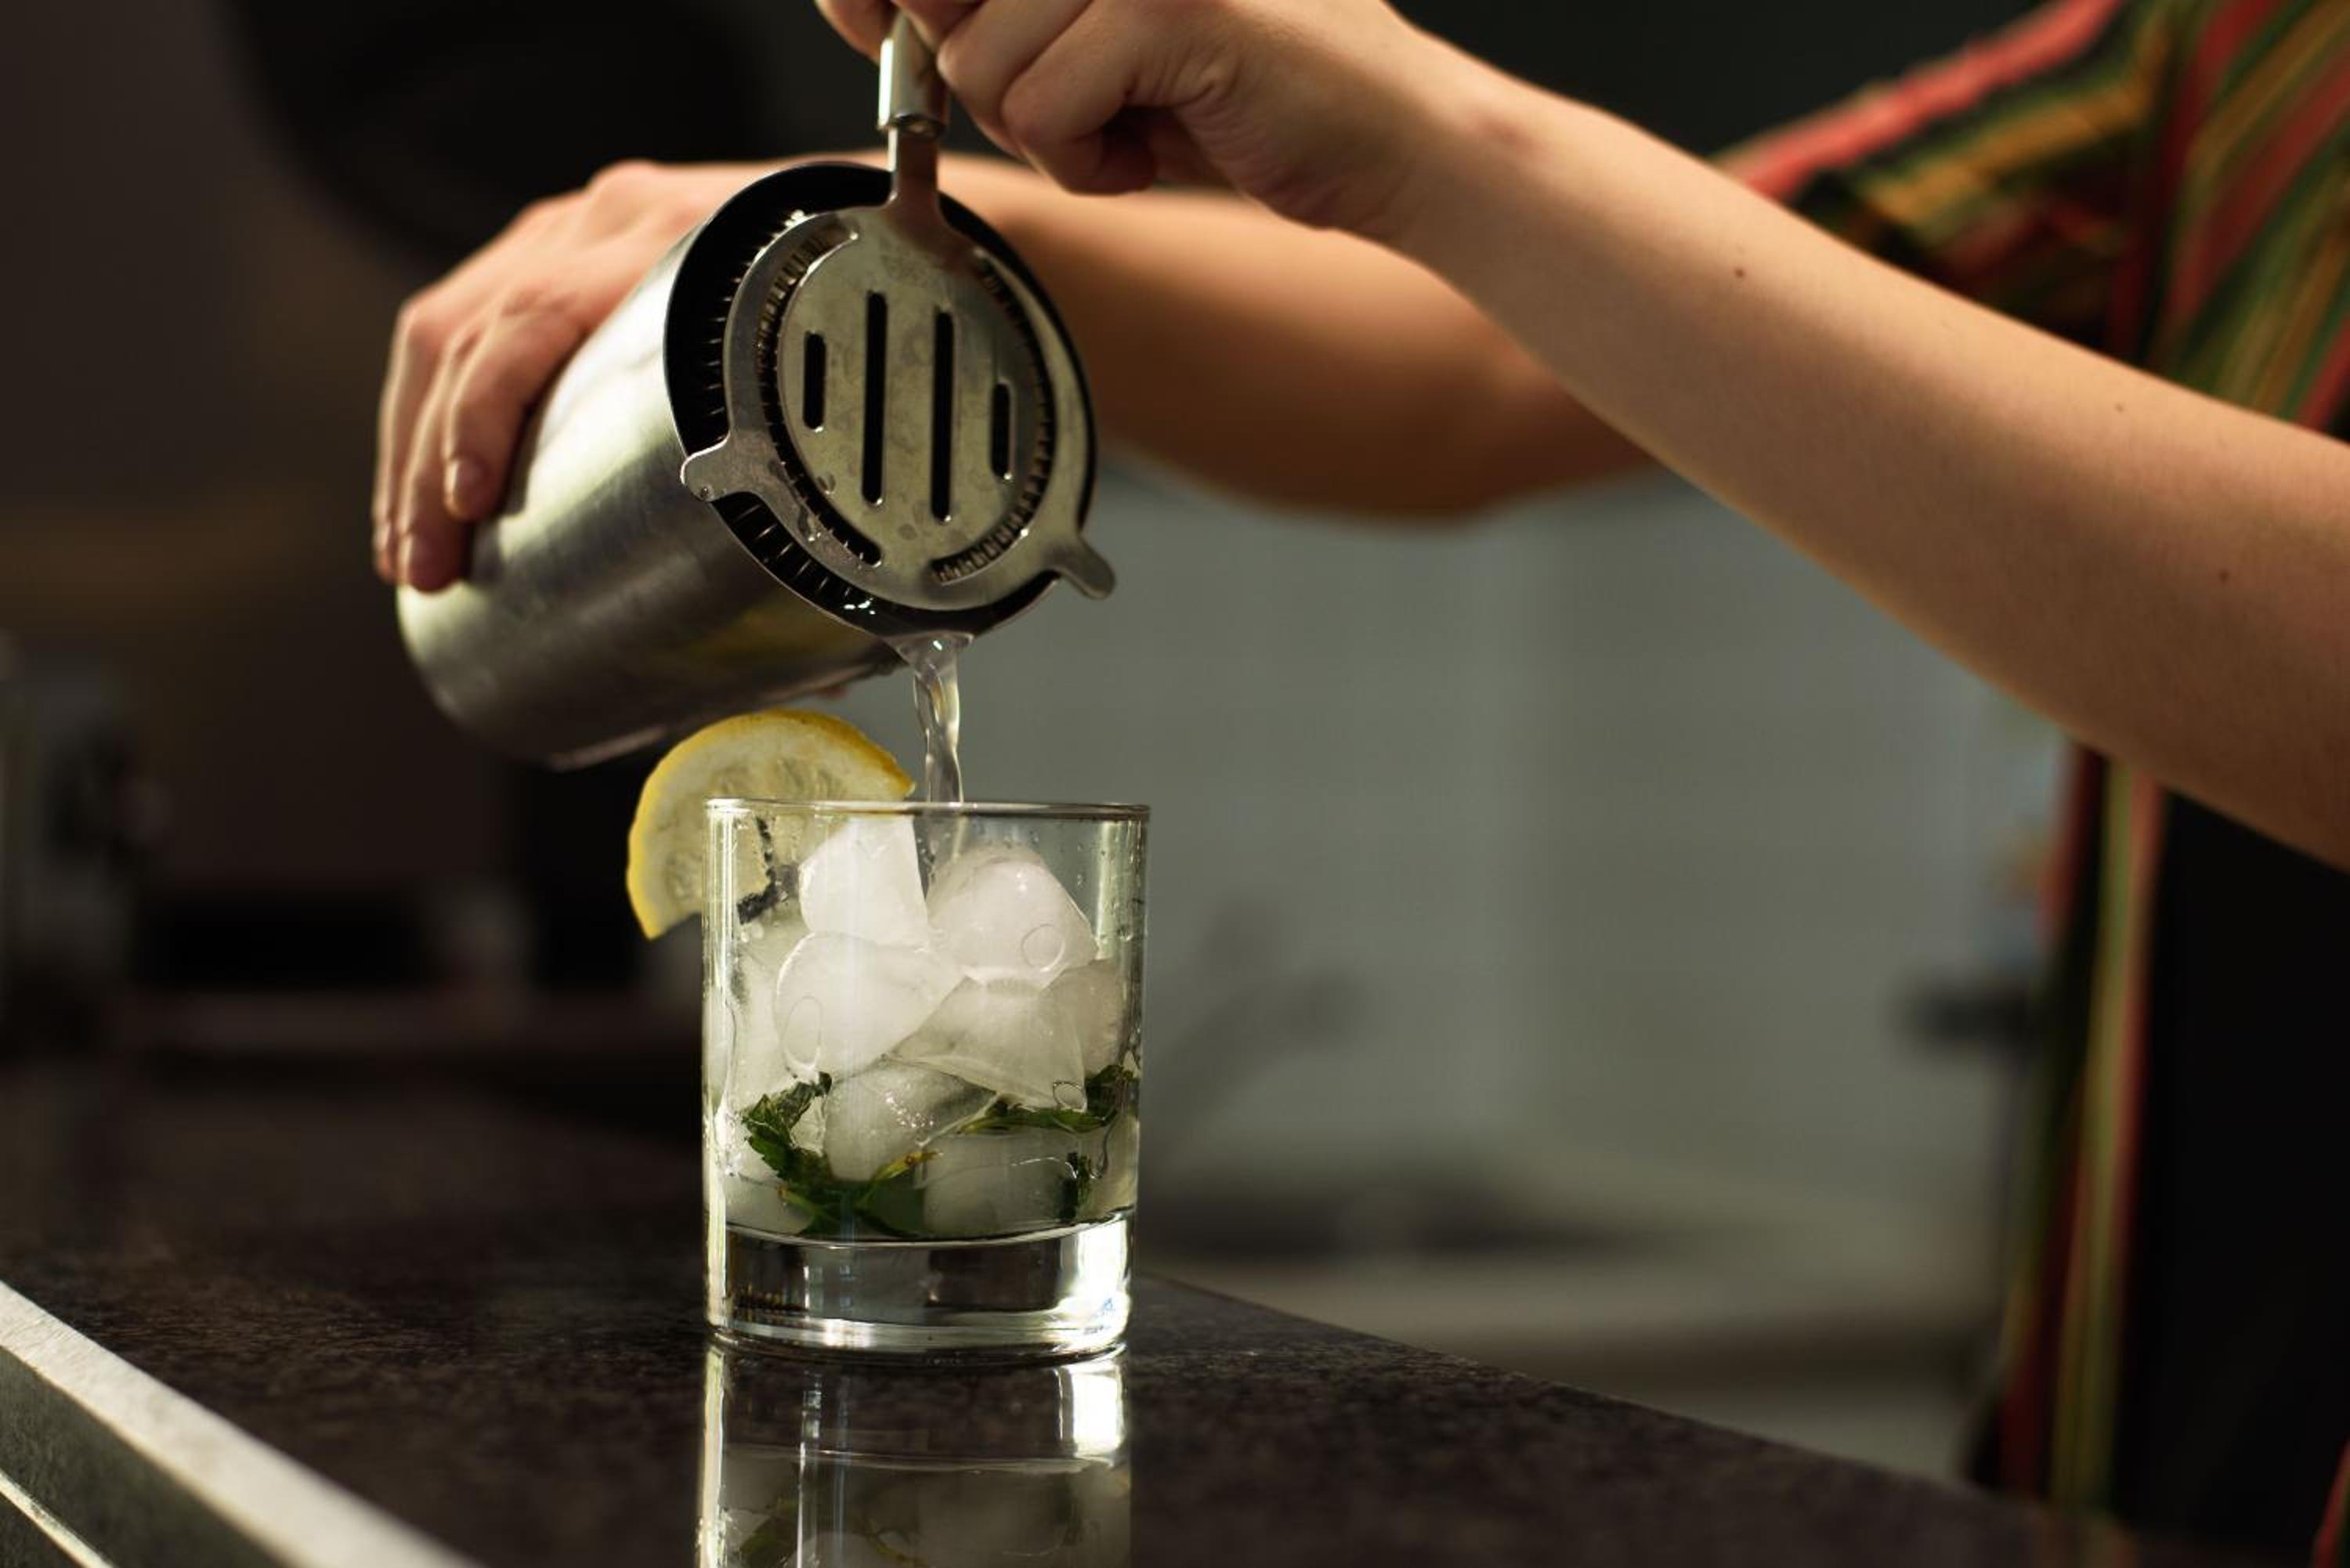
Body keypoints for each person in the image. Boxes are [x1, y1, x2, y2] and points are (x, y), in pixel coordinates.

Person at [371, 0, 2350, 1554]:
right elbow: (1513, 354)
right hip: (2152, 1443)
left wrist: (1421, 116)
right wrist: (861, 224)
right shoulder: (2225, 40)